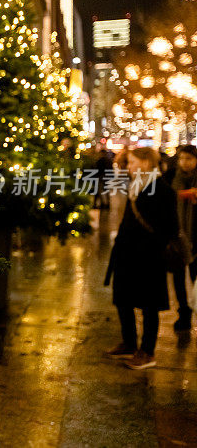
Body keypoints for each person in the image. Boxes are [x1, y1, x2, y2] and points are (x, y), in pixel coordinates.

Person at [104, 147, 179, 370]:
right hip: (127, 254)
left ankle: (147, 351)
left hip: (149, 258)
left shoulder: (163, 189)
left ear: (146, 163)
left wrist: (152, 246)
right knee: (123, 299)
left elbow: (171, 228)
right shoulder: (136, 185)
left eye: (132, 162)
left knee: (149, 305)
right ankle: (129, 343)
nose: (129, 167)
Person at [163, 144, 197, 331]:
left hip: (195, 238)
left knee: (194, 277)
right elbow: (163, 199)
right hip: (176, 237)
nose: (184, 163)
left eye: (189, 159)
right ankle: (184, 313)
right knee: (177, 278)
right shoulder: (170, 177)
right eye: (182, 158)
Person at [93, 145, 113, 210]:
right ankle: (107, 204)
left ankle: (100, 204)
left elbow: (96, 169)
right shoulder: (109, 160)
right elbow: (111, 169)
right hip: (107, 177)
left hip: (100, 177)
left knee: (99, 191)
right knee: (106, 191)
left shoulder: (99, 160)